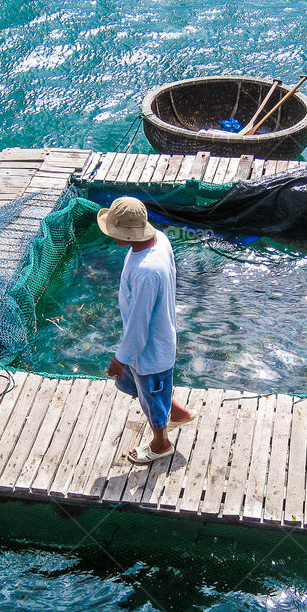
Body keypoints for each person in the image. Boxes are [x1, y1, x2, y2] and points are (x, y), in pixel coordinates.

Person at [97, 197, 194, 464]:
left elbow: (139, 326)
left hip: (149, 352)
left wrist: (121, 358)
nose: (111, 235)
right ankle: (177, 413)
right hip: (152, 342)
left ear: (128, 234)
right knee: (137, 386)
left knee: (151, 400)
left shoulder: (146, 272)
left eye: (114, 231)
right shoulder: (160, 240)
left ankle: (161, 444)